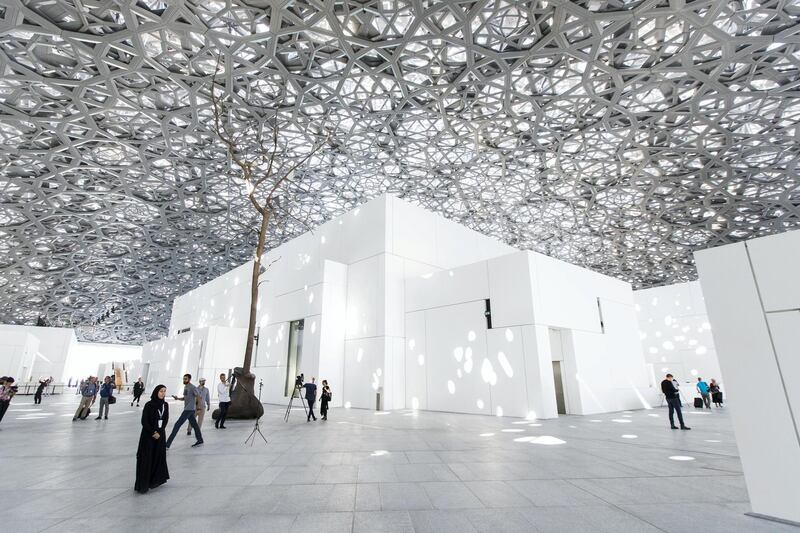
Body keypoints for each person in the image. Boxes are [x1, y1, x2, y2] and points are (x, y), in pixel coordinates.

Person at [135, 385, 170, 494]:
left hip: (160, 435)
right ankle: (143, 484)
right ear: (156, 392)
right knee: (147, 458)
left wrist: (160, 431)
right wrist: (153, 432)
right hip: (148, 436)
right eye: (161, 391)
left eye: (164, 391)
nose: (163, 393)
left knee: (158, 456)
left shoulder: (165, 405)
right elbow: (144, 421)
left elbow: (165, 419)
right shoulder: (149, 405)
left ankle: (155, 480)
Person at [165, 374, 203, 448]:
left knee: (177, 425)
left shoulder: (192, 387)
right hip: (188, 409)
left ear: (189, 379)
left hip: (189, 410)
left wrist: (198, 408)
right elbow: (185, 398)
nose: (184, 380)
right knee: (195, 425)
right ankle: (200, 440)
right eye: (183, 379)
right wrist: (178, 398)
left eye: (185, 379)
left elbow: (198, 397)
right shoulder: (186, 387)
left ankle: (167, 445)